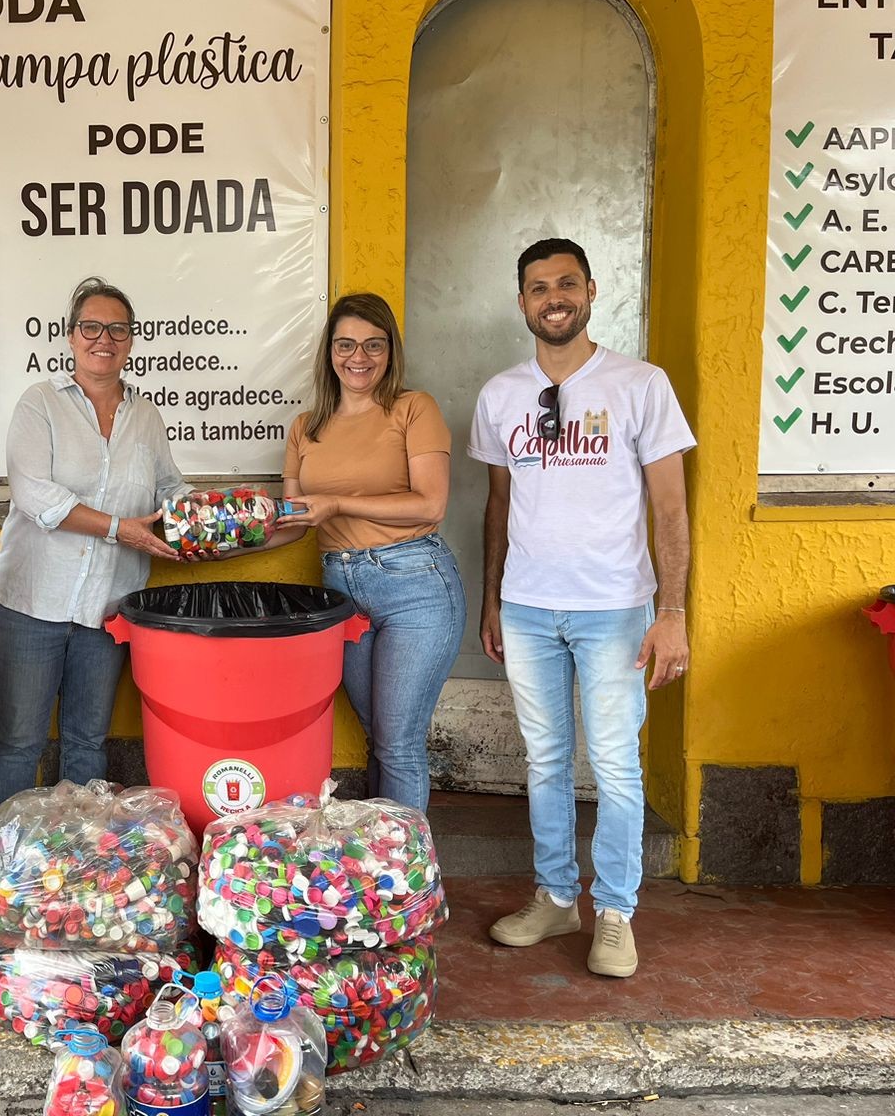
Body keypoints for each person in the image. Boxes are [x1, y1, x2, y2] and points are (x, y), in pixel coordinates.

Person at [470, 237, 693, 979]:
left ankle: (617, 911)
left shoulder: (640, 384)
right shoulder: (502, 394)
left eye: (567, 283)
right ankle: (557, 896)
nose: (553, 297)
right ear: (523, 300)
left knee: (617, 767)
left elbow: (670, 505)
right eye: (538, 286)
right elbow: (497, 508)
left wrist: (674, 612)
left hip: (616, 610)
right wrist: (492, 600)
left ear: (592, 292)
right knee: (545, 762)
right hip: (529, 607)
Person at [0, 277, 184, 819]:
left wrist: (216, 515)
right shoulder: (40, 403)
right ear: (71, 337)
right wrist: (122, 528)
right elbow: (35, 496)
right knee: (21, 742)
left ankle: (77, 871)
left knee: (87, 743)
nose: (104, 338)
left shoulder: (146, 416)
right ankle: (1, 871)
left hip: (107, 606)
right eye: (91, 327)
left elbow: (170, 489)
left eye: (118, 329)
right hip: (31, 602)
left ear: (132, 340)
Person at [273, 292, 465, 813]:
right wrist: (213, 546)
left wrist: (336, 502)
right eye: (346, 345)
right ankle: (380, 868)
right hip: (341, 590)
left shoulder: (412, 408)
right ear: (329, 351)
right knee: (380, 735)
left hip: (414, 582)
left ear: (390, 350)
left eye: (373, 345)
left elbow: (431, 503)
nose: (359, 358)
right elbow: (293, 523)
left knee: (398, 744)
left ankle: (407, 884)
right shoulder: (305, 426)